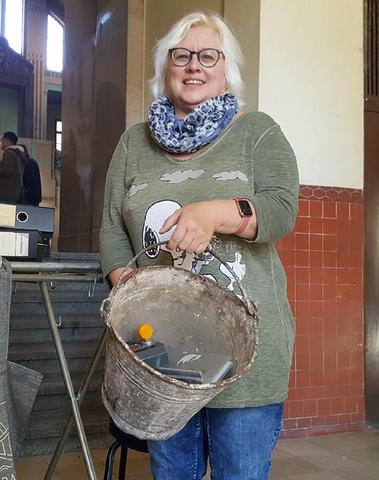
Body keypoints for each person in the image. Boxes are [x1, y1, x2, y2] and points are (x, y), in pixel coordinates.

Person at [99, 11, 299, 480]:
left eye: (208, 55)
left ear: (226, 68)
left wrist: (214, 213)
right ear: (164, 68)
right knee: (173, 473)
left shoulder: (257, 133)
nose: (194, 66)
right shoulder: (133, 144)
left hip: (245, 353)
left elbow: (281, 209)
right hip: (160, 352)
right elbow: (111, 228)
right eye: (182, 55)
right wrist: (128, 288)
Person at [0, 131, 27, 203]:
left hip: (6, 190)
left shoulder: (10, 153)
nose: (1, 143)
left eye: (2, 141)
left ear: (7, 140)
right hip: (14, 191)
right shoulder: (18, 153)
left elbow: (7, 170)